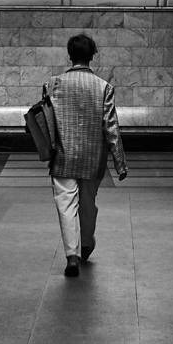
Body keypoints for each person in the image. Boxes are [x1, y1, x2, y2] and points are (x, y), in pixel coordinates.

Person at [45, 33, 127, 277]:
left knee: (66, 204)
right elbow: (111, 127)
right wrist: (120, 163)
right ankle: (87, 243)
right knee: (88, 203)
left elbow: (47, 122)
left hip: (63, 156)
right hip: (93, 158)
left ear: (70, 55)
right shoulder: (104, 87)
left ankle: (72, 255)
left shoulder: (53, 84)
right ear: (92, 56)